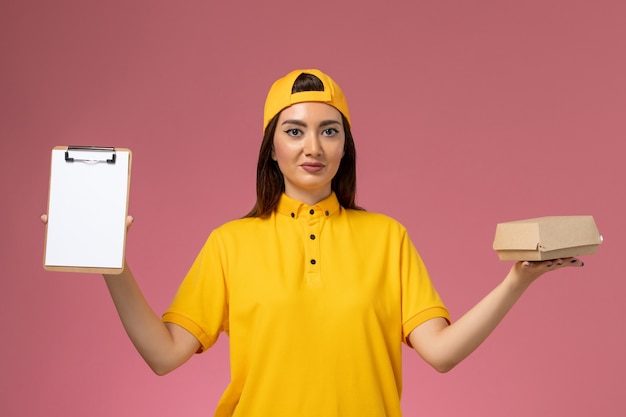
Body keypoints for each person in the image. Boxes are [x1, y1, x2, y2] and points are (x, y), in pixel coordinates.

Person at [42, 69, 584, 416]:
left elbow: (439, 353)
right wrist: (111, 264)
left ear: (346, 147)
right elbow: (163, 355)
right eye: (294, 130)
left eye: (330, 130)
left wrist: (517, 281)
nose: (313, 146)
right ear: (271, 148)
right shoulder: (231, 243)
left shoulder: (386, 237)